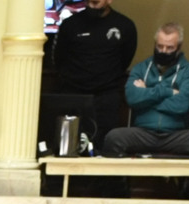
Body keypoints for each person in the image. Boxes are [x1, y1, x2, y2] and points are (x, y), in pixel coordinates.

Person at [39, 0, 138, 153]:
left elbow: (125, 59)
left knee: (104, 146)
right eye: (90, 2)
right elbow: (58, 58)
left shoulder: (125, 26)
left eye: (96, 3)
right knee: (67, 147)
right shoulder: (70, 24)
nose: (93, 5)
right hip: (73, 94)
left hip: (106, 96)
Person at [105, 21, 189, 158]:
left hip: (175, 135)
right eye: (160, 46)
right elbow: (132, 98)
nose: (163, 51)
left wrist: (146, 94)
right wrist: (168, 92)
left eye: (170, 48)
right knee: (113, 137)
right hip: (142, 132)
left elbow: (182, 104)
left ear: (179, 47)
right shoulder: (140, 68)